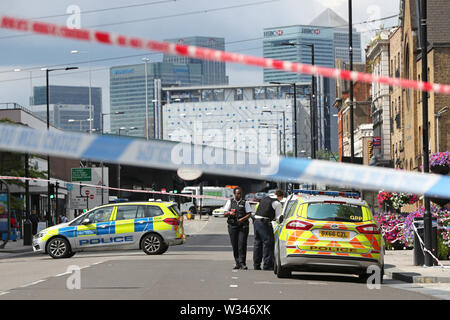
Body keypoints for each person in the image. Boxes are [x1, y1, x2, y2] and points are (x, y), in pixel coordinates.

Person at [253, 189, 284, 270]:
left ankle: (256, 264)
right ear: (280, 197)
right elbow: (278, 218)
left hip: (256, 221)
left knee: (257, 243)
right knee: (268, 243)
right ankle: (267, 265)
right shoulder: (277, 203)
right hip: (264, 223)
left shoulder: (265, 198)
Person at [223, 187, 252, 270]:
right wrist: (229, 213)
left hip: (243, 226)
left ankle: (243, 263)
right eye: (236, 193)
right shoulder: (230, 201)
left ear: (241, 194)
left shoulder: (245, 202)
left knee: (242, 244)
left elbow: (249, 214)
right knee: (234, 245)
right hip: (233, 226)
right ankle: (237, 262)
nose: (238, 195)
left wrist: (241, 220)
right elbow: (224, 213)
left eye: (239, 193)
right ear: (234, 194)